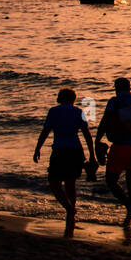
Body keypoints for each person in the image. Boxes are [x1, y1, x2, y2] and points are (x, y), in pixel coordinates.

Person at [33, 87, 96, 235]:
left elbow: (45, 131)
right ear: (73, 99)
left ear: (60, 97)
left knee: (54, 183)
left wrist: (37, 149)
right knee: (70, 184)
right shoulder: (78, 112)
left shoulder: (54, 111)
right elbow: (87, 135)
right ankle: (70, 216)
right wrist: (92, 155)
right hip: (75, 151)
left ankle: (69, 209)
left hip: (60, 151)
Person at [95, 77, 131, 226]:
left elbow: (105, 121)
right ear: (129, 87)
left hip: (120, 146)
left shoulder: (114, 101)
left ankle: (128, 205)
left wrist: (97, 140)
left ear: (116, 87)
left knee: (111, 180)